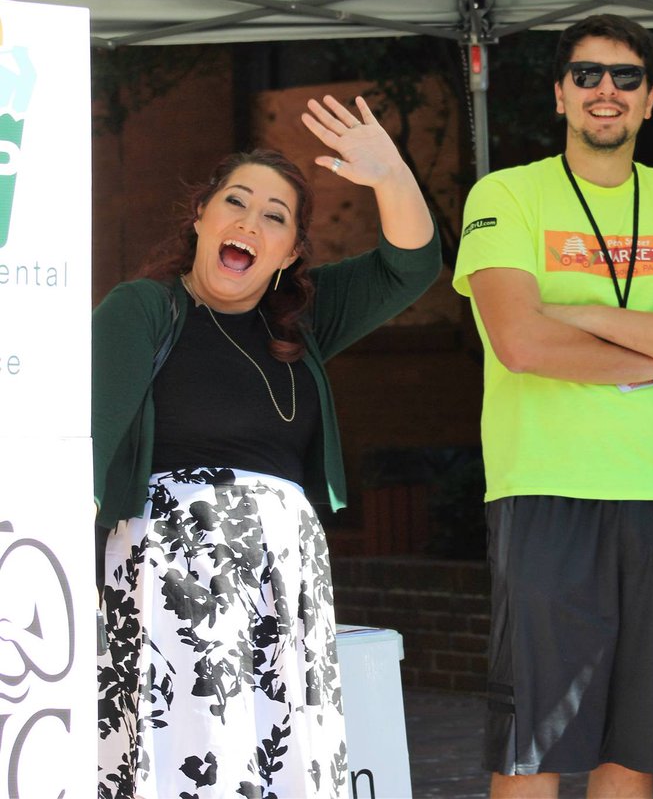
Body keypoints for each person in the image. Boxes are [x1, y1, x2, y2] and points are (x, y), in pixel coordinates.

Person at [93, 95, 439, 798]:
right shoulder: (141, 308)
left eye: (274, 218)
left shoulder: (303, 323)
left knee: (283, 767)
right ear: (201, 217)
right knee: (188, 764)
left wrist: (391, 175)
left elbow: (414, 265)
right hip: (171, 588)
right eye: (236, 202)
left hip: (285, 589)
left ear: (289, 253)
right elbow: (89, 453)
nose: (251, 222)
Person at [452, 13, 653, 799]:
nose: (605, 91)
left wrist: (580, 314)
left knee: (639, 740)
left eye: (626, 77)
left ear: (650, 100)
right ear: (559, 93)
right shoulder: (506, 194)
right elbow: (521, 344)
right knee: (536, 742)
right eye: (586, 74)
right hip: (544, 486)